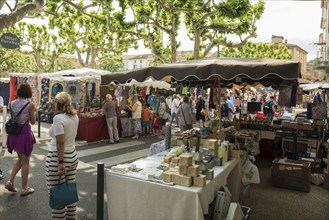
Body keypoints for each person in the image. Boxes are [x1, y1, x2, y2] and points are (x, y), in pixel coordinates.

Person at [45, 92, 79, 219]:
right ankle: (71, 217)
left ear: (58, 104)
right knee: (69, 190)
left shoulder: (58, 118)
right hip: (73, 156)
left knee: (57, 193)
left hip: (58, 158)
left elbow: (60, 142)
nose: (52, 104)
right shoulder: (74, 116)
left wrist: (60, 162)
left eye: (54, 102)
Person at [5, 83, 36, 196]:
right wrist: (32, 114)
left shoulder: (11, 103)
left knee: (21, 159)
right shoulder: (30, 105)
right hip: (24, 134)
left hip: (14, 135)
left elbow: (13, 118)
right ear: (28, 93)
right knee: (26, 162)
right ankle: (24, 188)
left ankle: (10, 181)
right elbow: (33, 122)